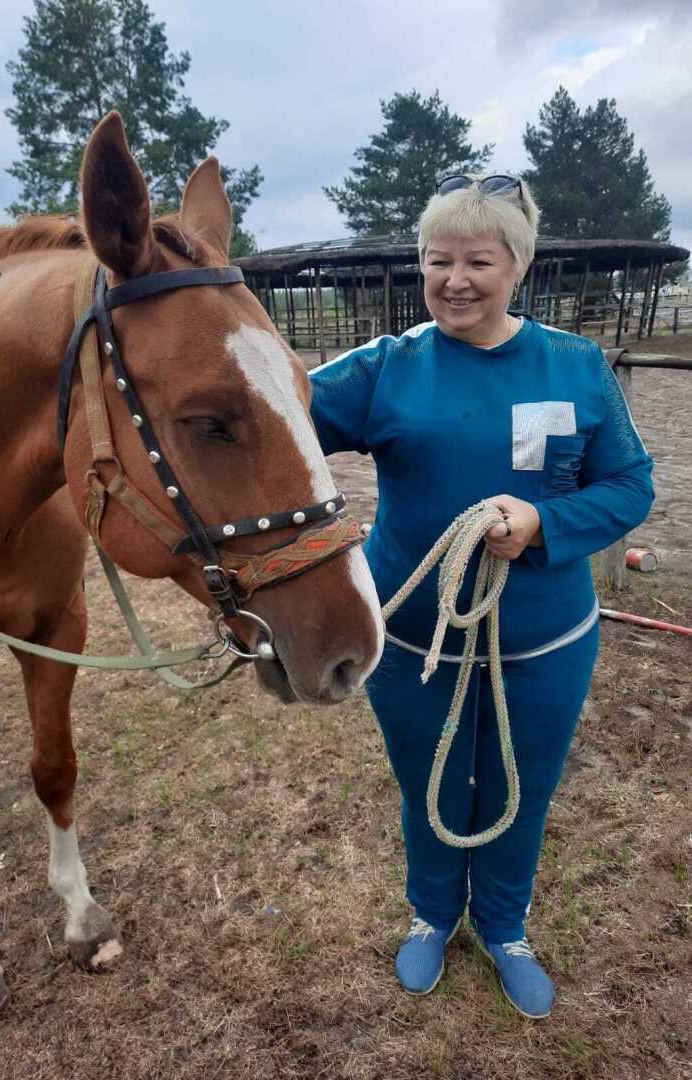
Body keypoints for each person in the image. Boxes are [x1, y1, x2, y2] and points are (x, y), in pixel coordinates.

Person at [309, 174, 654, 1019]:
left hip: (542, 642)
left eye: (478, 261)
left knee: (516, 788)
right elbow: (271, 418)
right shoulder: (385, 368)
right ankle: (433, 914)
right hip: (415, 641)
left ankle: (505, 927)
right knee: (426, 778)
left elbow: (629, 485)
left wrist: (542, 520)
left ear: (518, 269)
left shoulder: (572, 366)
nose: (455, 279)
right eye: (438, 262)